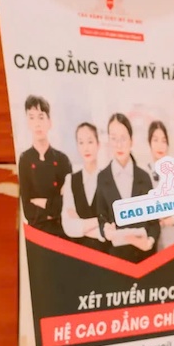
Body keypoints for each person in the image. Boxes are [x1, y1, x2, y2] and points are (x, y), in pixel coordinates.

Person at [96, 113, 160, 263]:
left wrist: (149, 242)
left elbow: (154, 222)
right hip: (116, 260)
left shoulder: (144, 177)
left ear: (131, 141)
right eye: (114, 138)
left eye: (123, 138)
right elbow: (101, 217)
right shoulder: (102, 177)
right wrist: (106, 229)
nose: (119, 144)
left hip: (145, 258)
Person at [18, 95, 72, 236]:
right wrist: (53, 207)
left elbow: (69, 204)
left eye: (41, 117)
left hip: (62, 231)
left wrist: (43, 203)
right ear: (27, 123)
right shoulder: (24, 160)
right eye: (32, 117)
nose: (37, 123)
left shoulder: (62, 160)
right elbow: (28, 210)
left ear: (49, 122)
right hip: (37, 233)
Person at [61, 123, 108, 252]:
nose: (86, 148)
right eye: (81, 143)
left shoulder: (108, 179)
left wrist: (80, 224)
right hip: (79, 253)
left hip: (106, 254)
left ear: (98, 145)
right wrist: (100, 221)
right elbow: (68, 226)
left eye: (90, 142)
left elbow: (113, 226)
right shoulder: (70, 180)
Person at [147, 120, 174, 250]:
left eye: (163, 141)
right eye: (155, 140)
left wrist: (168, 220)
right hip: (157, 244)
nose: (160, 145)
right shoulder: (144, 175)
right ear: (149, 143)